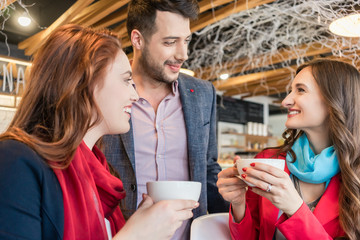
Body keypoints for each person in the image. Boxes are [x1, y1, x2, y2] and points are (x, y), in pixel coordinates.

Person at [0, 24, 199, 240]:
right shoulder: (16, 160)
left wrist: (140, 225)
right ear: (84, 81)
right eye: (126, 80)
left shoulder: (99, 172)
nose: (135, 95)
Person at [102, 0, 229, 239]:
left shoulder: (203, 93)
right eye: (170, 42)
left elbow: (208, 168)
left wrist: (236, 210)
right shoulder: (107, 90)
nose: (183, 54)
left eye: (186, 41)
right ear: (138, 39)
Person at [216, 58, 360, 239]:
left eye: (300, 90)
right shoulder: (268, 160)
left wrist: (295, 209)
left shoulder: (355, 172)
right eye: (291, 90)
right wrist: (238, 204)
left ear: (335, 99)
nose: (285, 101)